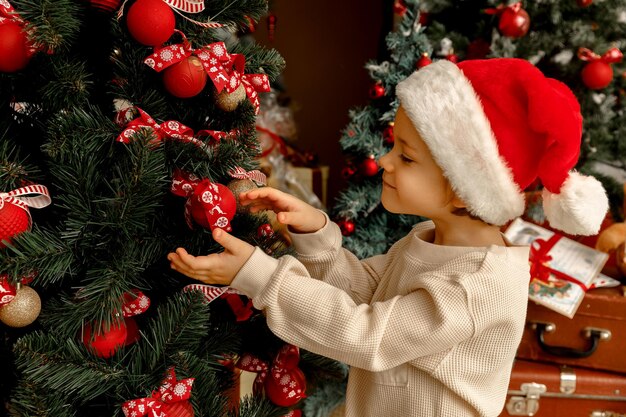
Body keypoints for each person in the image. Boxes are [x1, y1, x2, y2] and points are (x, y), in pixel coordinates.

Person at [168, 58, 608, 416]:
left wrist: (258, 276)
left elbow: (368, 335)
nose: (384, 161)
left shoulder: (476, 284)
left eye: (407, 156)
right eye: (393, 146)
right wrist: (316, 234)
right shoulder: (433, 239)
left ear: (462, 184)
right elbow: (366, 292)